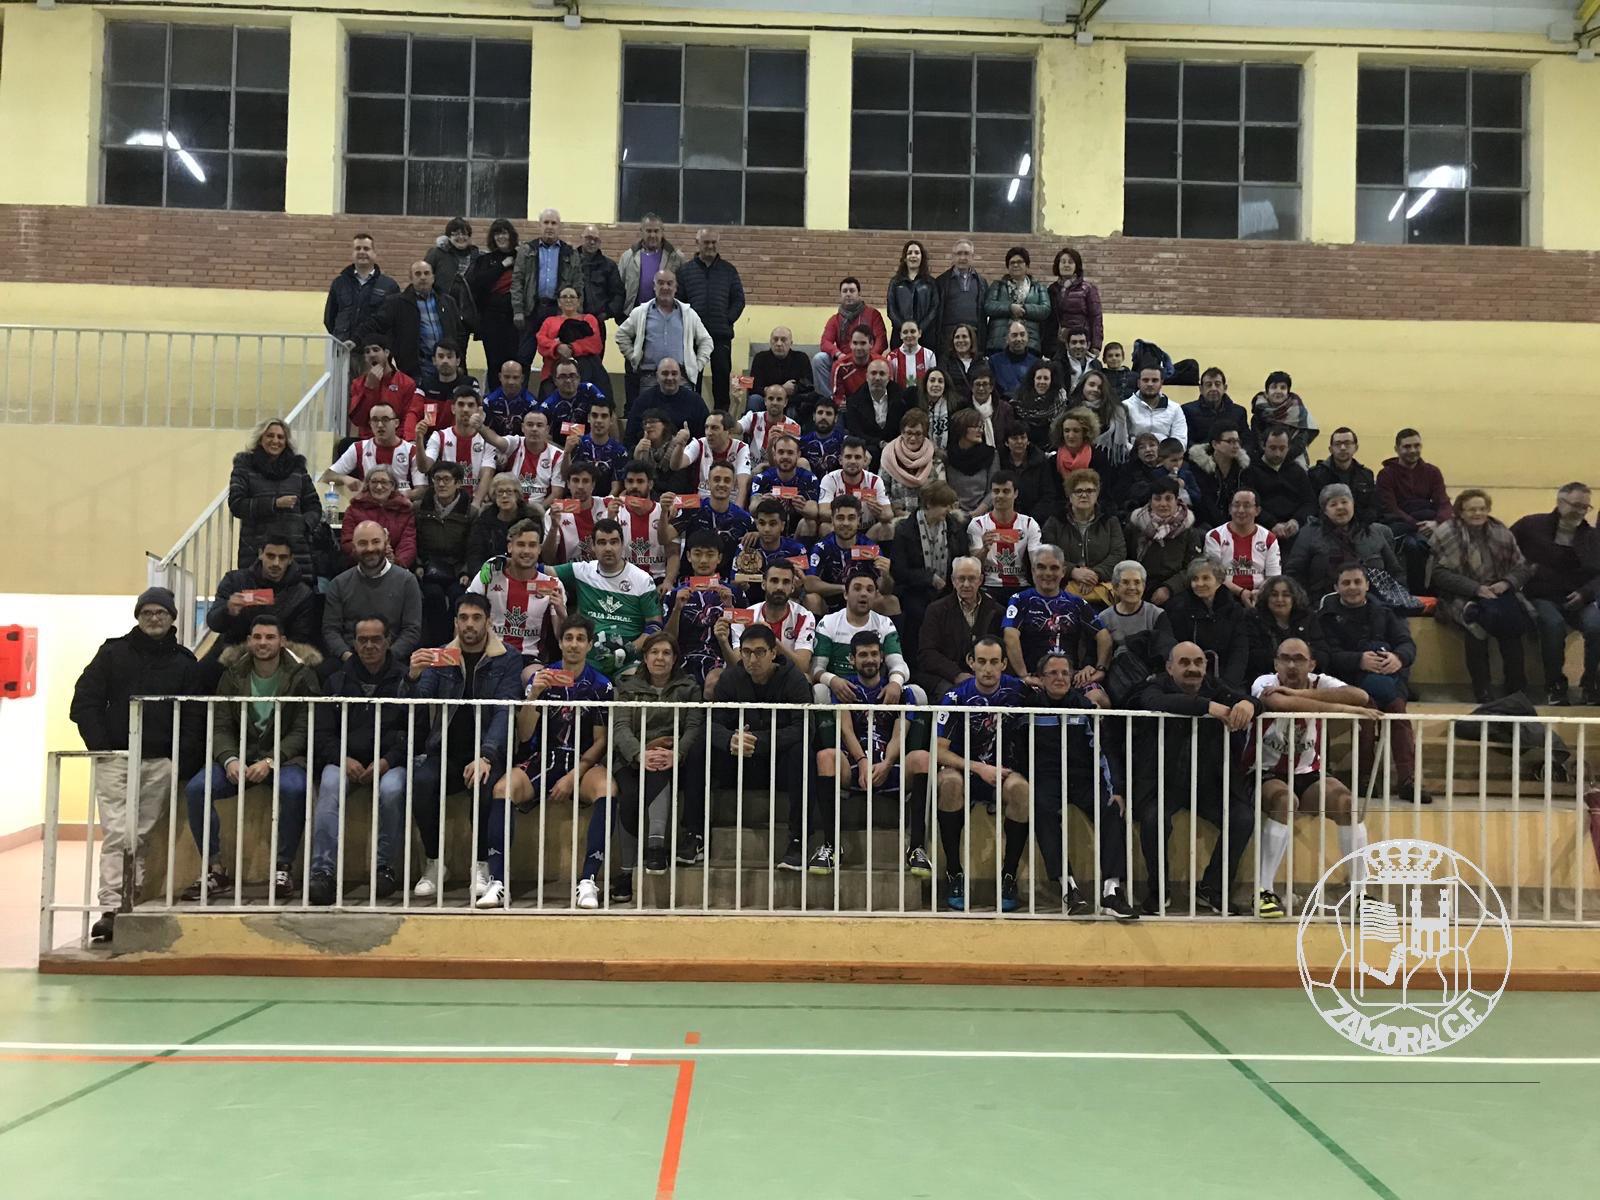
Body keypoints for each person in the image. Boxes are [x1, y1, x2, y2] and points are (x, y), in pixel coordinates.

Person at [70, 587, 200, 941]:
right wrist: (102, 746)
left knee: (141, 833)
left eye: (161, 612)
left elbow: (193, 716)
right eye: (147, 612)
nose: (154, 618)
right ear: (138, 617)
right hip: (116, 758)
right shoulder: (112, 653)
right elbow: (85, 701)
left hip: (160, 761)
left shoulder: (185, 663)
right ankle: (112, 906)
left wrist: (178, 758)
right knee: (118, 833)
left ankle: (131, 898)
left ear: (172, 618)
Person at [181, 614, 320, 902]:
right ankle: (215, 869)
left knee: (295, 789)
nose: (263, 642)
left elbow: (303, 729)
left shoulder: (302, 675)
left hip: (284, 760)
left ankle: (283, 867)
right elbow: (220, 725)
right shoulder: (233, 674)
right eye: (257, 637)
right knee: (197, 789)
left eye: (270, 637)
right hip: (239, 758)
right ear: (248, 641)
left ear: (282, 641)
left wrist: (270, 761)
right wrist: (229, 758)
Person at [405, 593, 523, 903]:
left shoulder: (507, 658)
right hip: (445, 750)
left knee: (484, 786)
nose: (469, 624)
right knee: (422, 782)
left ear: (488, 622)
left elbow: (505, 710)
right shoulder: (442, 656)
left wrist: (486, 755)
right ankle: (434, 863)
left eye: (476, 618)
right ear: (455, 622)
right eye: (463, 618)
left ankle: (482, 865)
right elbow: (420, 703)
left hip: (488, 751)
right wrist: (413, 677)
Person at [1247, 637, 1375, 919]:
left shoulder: (1321, 682)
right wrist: (1345, 710)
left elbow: (1360, 696)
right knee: (1285, 801)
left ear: (1312, 664)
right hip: (1265, 771)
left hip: (1309, 772)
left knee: (1346, 803)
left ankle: (1360, 893)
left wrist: (1306, 695)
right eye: (1285, 658)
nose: (1291, 665)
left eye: (1299, 659)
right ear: (1275, 663)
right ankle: (1263, 891)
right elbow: (1280, 703)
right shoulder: (1264, 682)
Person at [1131, 642, 1257, 915]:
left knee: (1243, 818)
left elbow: (1256, 701)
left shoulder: (1215, 686)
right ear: (1169, 667)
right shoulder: (1155, 685)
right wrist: (1209, 707)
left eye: (1199, 662)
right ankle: (1158, 890)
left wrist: (1248, 703)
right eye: (1185, 662)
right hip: (1163, 784)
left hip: (1209, 785)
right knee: (1153, 820)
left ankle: (1212, 888)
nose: (1193, 669)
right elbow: (1155, 702)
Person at [508, 615, 622, 910]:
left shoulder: (601, 685)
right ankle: (497, 880)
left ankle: (588, 881)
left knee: (607, 788)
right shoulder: (542, 678)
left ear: (590, 645)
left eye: (580, 639)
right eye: (568, 638)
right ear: (559, 643)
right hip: (543, 758)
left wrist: (572, 777)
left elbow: (601, 740)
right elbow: (524, 734)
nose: (574, 644)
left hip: (582, 764)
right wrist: (534, 694)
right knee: (502, 788)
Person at [306, 615, 410, 907]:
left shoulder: (405, 680)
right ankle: (322, 872)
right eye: (362, 640)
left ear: (388, 641)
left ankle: (384, 868)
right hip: (343, 760)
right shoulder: (336, 681)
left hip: (389, 762)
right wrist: (343, 758)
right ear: (353, 643)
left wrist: (387, 761)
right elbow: (322, 733)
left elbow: (414, 731)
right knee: (329, 786)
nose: (369, 646)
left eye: (376, 639)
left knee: (392, 790)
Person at [810, 630, 933, 875]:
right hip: (855, 767)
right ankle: (831, 846)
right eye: (863, 655)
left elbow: (900, 734)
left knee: (922, 758)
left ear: (882, 657)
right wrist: (863, 761)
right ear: (852, 659)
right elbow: (846, 730)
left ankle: (917, 848)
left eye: (874, 654)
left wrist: (886, 763)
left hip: (891, 765)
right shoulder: (845, 688)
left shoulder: (900, 692)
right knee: (825, 756)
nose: (870, 660)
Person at [1027, 651, 1138, 918]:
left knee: (1111, 808)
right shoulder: (1028, 708)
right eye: (1053, 673)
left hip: (1083, 779)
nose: (1060, 678)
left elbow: (1105, 750)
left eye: (1065, 673)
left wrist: (1116, 789)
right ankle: (1069, 888)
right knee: (1040, 808)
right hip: (1046, 779)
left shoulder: (1086, 707)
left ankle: (1111, 891)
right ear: (1041, 679)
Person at [1318, 563, 1430, 803]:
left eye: (1357, 582)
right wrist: (1358, 661)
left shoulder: (1385, 612)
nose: (1352, 587)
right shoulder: (1326, 617)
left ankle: (1408, 780)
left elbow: (1406, 644)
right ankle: (1364, 778)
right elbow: (1326, 655)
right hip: (1348, 682)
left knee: (1398, 711)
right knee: (1366, 713)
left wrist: (1398, 658)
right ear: (1336, 587)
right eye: (1346, 583)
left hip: (1388, 679)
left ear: (1367, 585)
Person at [933, 636, 1031, 912]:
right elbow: (938, 751)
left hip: (1004, 771)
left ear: (1004, 664)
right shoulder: (955, 697)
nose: (988, 669)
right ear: (971, 662)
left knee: (1022, 790)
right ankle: (954, 873)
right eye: (982, 662)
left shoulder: (1019, 692)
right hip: (966, 770)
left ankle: (1008, 876)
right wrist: (978, 768)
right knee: (949, 783)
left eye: (994, 662)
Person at [709, 624, 814, 868]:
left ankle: (798, 840)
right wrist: (730, 739)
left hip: (780, 764)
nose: (752, 659)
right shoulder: (730, 678)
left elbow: (805, 728)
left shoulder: (794, 679)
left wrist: (760, 740)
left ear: (773, 653)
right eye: (746, 652)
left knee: (802, 753)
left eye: (759, 652)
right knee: (700, 747)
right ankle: (695, 835)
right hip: (739, 762)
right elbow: (712, 723)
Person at [607, 632, 707, 872]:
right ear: (645, 657)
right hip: (632, 758)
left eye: (666, 653)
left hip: (671, 757)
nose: (660, 658)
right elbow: (620, 728)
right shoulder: (627, 688)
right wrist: (640, 753)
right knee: (629, 796)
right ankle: (626, 871)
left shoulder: (689, 688)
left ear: (675, 659)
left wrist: (677, 753)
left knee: (658, 768)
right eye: (654, 652)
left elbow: (694, 727)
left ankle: (656, 849)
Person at [1430, 489, 1534, 702]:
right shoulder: (1446, 533)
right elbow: (1439, 574)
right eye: (1472, 510)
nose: (1477, 513)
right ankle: (1482, 689)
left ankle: (1516, 688)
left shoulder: (1502, 532)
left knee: (1512, 626)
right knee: (1475, 627)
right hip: (1460, 594)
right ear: (1461, 512)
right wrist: (1475, 589)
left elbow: (1521, 567)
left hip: (1498, 591)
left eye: (1482, 509)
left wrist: (1506, 583)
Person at [1512, 483, 1600, 705]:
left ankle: (1591, 684)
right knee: (1552, 625)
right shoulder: (1530, 525)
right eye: (1576, 505)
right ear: (1560, 502)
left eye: (1585, 507)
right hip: (1541, 595)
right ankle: (1555, 685)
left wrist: (1585, 593)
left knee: (1596, 626)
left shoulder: (1593, 537)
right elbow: (1504, 546)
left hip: (1580, 597)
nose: (1580, 511)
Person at [550, 519, 664, 677]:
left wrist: (625, 652)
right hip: (586, 659)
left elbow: (655, 628)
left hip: (629, 661)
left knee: (631, 682)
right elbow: (539, 572)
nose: (608, 548)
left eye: (614, 542)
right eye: (602, 543)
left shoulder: (642, 580)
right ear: (593, 546)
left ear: (623, 544)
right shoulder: (581, 571)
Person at [1002, 544, 1112, 685]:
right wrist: (1024, 676)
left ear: (1063, 571)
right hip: (1035, 679)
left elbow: (1104, 636)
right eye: (1041, 567)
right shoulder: (1019, 600)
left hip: (1070, 679)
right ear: (1033, 570)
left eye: (1054, 568)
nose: (1048, 573)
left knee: (1098, 697)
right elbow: (1010, 636)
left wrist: (1100, 669)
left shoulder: (1076, 602)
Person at [229, 418, 321, 579]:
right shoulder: (244, 467)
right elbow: (237, 504)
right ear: (260, 439)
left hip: (297, 551)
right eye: (270, 436)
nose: (275, 441)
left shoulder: (298, 469)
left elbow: (314, 506)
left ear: (286, 441)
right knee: (258, 593)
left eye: (280, 437)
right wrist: (274, 504)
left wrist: (303, 525)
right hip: (255, 550)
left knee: (298, 594)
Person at [810, 569, 918, 704]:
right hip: (841, 693)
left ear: (875, 595)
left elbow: (898, 664)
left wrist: (895, 683)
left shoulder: (885, 624)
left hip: (877, 690)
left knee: (917, 693)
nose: (863, 594)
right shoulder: (828, 623)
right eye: (857, 588)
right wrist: (832, 680)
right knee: (819, 691)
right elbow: (816, 669)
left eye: (869, 590)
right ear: (846, 594)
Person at [324, 519, 424, 664]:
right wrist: (349, 658)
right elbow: (331, 630)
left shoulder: (407, 582)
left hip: (394, 661)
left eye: (376, 542)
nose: (370, 548)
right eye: (363, 543)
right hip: (349, 660)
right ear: (354, 547)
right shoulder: (338, 584)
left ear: (386, 542)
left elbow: (411, 630)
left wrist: (385, 660)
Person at [468, 516, 563, 667]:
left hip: (529, 659)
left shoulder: (553, 585)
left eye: (532, 545)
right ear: (510, 547)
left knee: (536, 677)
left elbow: (561, 636)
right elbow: (464, 615)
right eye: (520, 544)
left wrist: (561, 612)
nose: (526, 551)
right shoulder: (489, 576)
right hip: (489, 654)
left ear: (539, 549)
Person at [205, 537, 318, 660]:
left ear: (290, 559)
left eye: (282, 558)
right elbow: (213, 623)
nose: (276, 563)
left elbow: (300, 637)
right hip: (233, 647)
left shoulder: (302, 593)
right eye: (270, 556)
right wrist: (228, 610)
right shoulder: (234, 580)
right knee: (201, 669)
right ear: (260, 554)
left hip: (281, 652)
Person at [1285, 483, 1404, 599]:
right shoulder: (1309, 534)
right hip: (1324, 602)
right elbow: (1294, 574)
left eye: (1344, 502)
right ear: (1324, 511)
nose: (1340, 507)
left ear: (1353, 504)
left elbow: (1395, 572)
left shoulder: (1373, 532)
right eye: (1333, 504)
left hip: (1376, 602)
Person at [362, 260, 465, 391]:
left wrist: (459, 361)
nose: (423, 277)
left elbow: (460, 334)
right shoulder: (397, 303)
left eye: (426, 273)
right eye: (418, 274)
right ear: (411, 278)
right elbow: (375, 324)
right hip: (417, 371)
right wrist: (354, 340)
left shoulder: (448, 302)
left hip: (447, 368)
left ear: (433, 277)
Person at [674, 228, 746, 411]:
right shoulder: (685, 271)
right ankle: (692, 416)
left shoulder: (729, 271)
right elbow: (678, 302)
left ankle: (721, 418)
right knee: (692, 380)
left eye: (714, 242)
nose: (710, 246)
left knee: (721, 380)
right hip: (693, 336)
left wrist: (727, 319)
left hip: (721, 335)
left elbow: (739, 300)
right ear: (697, 243)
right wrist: (688, 324)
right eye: (706, 242)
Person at [666, 530, 744, 697]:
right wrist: (677, 609)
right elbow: (667, 639)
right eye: (697, 554)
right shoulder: (675, 594)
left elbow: (741, 636)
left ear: (719, 558)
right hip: (682, 660)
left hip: (721, 660)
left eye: (710, 555)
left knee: (714, 683)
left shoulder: (734, 593)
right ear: (688, 556)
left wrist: (729, 607)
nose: (703, 560)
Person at [1376, 428, 1452, 594]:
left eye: (1417, 446)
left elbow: (1444, 502)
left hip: (1430, 522)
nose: (1412, 450)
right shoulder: (1386, 474)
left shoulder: (1433, 472)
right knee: (1414, 546)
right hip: (1401, 525)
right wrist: (1417, 525)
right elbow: (1390, 507)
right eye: (1407, 446)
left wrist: (1437, 522)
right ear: (1397, 449)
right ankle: (1419, 594)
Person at [916, 556, 1003, 700]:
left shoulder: (996, 611)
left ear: (980, 580)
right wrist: (956, 674)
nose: (966, 584)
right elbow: (927, 653)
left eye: (972, 578)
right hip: (946, 677)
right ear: (953, 580)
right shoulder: (936, 610)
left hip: (986, 675)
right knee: (953, 695)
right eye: (961, 579)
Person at [616, 271, 714, 397]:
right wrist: (633, 357)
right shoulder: (641, 313)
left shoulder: (689, 314)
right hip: (650, 378)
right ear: (654, 286)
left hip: (681, 379)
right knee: (650, 410)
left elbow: (706, 341)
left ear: (676, 288)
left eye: (669, 283)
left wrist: (697, 365)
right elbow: (621, 335)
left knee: (683, 410)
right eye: (660, 283)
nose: (665, 287)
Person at [414, 461, 475, 646]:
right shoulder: (419, 508)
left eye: (447, 479)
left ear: (458, 483)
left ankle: (454, 643)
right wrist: (417, 564)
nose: (441, 484)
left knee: (458, 596)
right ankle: (436, 645)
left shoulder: (471, 512)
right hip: (428, 567)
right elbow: (413, 540)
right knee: (433, 596)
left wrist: (466, 571)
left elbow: (473, 547)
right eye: (437, 479)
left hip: (457, 568)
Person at [1163, 558, 1250, 685]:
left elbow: (1239, 650)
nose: (1199, 584)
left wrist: (1228, 684)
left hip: (1225, 677)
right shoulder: (1178, 608)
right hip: (1189, 676)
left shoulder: (1234, 610)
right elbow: (1176, 649)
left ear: (1219, 581)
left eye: (1205, 578)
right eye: (1195, 579)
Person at [1042, 469, 1123, 605]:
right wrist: (1072, 571)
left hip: (1103, 588)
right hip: (1062, 587)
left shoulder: (1110, 521)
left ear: (1097, 494)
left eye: (1090, 491)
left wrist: (1094, 574)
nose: (1084, 495)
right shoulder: (1055, 521)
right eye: (1078, 491)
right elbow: (1047, 553)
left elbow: (1118, 553)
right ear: (1069, 495)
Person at [511, 208, 580, 365]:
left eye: (553, 223)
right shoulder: (527, 250)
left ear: (559, 226)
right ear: (539, 225)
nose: (549, 227)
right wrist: (518, 310)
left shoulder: (570, 253)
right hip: (531, 310)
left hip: (558, 311)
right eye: (546, 222)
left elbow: (577, 284)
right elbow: (517, 281)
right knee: (524, 356)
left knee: (557, 357)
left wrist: (574, 313)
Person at [730, 559, 817, 678]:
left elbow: (802, 666)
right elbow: (738, 663)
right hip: (752, 676)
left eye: (786, 582)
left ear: (792, 587)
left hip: (787, 678)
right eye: (774, 581)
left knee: (805, 678)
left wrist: (771, 638)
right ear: (763, 584)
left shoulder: (804, 617)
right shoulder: (746, 616)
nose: (780, 587)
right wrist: (723, 641)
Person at [669, 461, 754, 583]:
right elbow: (664, 538)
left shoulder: (744, 518)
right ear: (708, 483)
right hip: (689, 582)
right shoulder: (692, 508)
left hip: (727, 584)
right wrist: (664, 512)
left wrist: (757, 534)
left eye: (727, 480)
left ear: (734, 485)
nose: (721, 484)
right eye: (717, 479)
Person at [414, 385, 500, 503]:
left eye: (470, 405)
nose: (465, 409)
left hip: (475, 500)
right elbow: (424, 468)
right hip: (445, 500)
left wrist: (476, 504)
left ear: (478, 410)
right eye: (461, 404)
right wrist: (419, 439)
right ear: (453, 409)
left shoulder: (487, 439)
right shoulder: (439, 436)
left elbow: (487, 473)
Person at [1127, 479, 1204, 606]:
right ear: (1150, 501)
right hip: (1137, 584)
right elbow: (1126, 558)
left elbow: (1193, 567)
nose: (1163, 504)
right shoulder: (1135, 526)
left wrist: (1169, 588)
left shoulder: (1188, 530)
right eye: (1157, 499)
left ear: (1177, 500)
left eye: (1168, 499)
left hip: (1175, 589)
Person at [805, 494, 885, 615]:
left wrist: (886, 575)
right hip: (829, 605)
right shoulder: (821, 547)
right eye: (840, 518)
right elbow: (810, 584)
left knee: (889, 601)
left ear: (859, 520)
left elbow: (883, 587)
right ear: (832, 520)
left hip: (861, 603)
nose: (846, 523)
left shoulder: (870, 547)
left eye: (851, 518)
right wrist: (845, 588)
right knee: (811, 599)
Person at [969, 471, 1043, 601]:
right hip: (988, 587)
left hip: (1021, 587)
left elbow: (1036, 562)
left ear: (1016, 493)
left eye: (1006, 491)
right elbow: (972, 567)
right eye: (996, 491)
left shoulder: (1029, 524)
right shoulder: (978, 524)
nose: (1000, 496)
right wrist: (984, 549)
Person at [325, 233, 400, 358]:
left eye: (366, 248)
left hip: (374, 353)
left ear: (374, 253)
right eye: (357, 248)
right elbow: (329, 318)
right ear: (352, 254)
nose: (361, 252)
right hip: (344, 350)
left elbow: (393, 322)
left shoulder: (389, 286)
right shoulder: (339, 283)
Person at [465, 219, 521, 386]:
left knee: (515, 362)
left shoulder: (522, 258)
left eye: (504, 233)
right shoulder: (485, 260)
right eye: (497, 233)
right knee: (494, 362)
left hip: (515, 320)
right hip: (491, 320)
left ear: (511, 235)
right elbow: (479, 284)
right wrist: (503, 265)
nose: (501, 237)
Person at [812, 277, 888, 395]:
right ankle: (830, 399)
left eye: (852, 291)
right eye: (845, 291)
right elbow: (825, 342)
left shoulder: (873, 314)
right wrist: (838, 354)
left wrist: (869, 356)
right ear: (840, 295)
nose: (848, 294)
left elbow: (881, 340)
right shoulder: (835, 319)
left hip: (867, 358)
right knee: (819, 359)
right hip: (843, 360)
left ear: (859, 294)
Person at [1243, 427, 1315, 550]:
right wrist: (1272, 524)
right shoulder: (1250, 471)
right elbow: (1249, 504)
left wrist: (1296, 521)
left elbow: (1310, 502)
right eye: (1273, 448)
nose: (1277, 453)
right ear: (1263, 445)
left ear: (1288, 447)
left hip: (1295, 532)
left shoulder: (1297, 471)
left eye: (1282, 448)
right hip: (1261, 531)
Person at [324, 403, 420, 495]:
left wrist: (400, 497)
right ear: (370, 424)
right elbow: (327, 476)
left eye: (385, 419)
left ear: (396, 423)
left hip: (400, 503)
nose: (380, 425)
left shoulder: (412, 451)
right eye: (375, 420)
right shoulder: (358, 448)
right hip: (368, 503)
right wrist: (344, 478)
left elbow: (421, 489)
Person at [1247, 575, 1331, 679]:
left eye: (1286, 595)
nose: (1279, 599)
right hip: (1266, 677)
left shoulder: (1308, 617)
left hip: (1307, 678)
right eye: (1274, 595)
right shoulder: (1254, 618)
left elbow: (1323, 655)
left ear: (1294, 598)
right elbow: (1253, 657)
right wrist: (1297, 658)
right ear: (1267, 597)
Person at [339, 466, 416, 569]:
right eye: (374, 482)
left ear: (393, 486)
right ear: (368, 484)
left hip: (395, 567)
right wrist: (369, 555)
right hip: (361, 565)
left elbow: (408, 543)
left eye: (384, 482)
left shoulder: (404, 510)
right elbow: (347, 542)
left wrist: (396, 561)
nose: (379, 487)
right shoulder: (354, 509)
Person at [533, 285, 604, 396]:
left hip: (585, 372)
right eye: (564, 297)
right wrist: (557, 347)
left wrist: (572, 348)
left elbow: (595, 344)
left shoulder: (589, 319)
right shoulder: (549, 321)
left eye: (572, 297)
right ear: (559, 302)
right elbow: (541, 342)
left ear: (578, 301)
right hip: (552, 373)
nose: (568, 299)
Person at [465, 473, 540, 577]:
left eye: (509, 492)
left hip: (524, 572)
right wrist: (481, 575)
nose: (504, 496)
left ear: (517, 494)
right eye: (500, 492)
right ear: (494, 496)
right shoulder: (484, 519)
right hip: (489, 573)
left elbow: (537, 551)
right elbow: (475, 553)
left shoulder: (532, 517)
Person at [615, 461, 678, 585]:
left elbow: (673, 553)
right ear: (625, 484)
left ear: (650, 484)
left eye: (640, 481)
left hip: (657, 580)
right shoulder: (615, 511)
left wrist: (668, 581)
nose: (634, 486)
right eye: (630, 481)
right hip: (624, 580)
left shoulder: (665, 511)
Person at [624, 358, 712, 446]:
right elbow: (630, 437)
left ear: (680, 376)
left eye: (674, 373)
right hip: (650, 452)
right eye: (665, 373)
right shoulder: (643, 401)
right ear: (657, 376)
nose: (670, 378)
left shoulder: (695, 401)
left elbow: (705, 437)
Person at [748, 432, 821, 537]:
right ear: (774, 455)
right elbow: (752, 507)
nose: (785, 457)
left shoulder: (809, 478)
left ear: (798, 455)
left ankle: (801, 548)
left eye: (790, 453)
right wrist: (762, 503)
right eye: (781, 452)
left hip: (796, 532)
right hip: (770, 529)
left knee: (810, 522)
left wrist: (803, 507)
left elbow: (814, 510)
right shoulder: (762, 478)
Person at [819, 437, 895, 539]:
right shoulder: (830, 479)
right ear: (840, 460)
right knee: (825, 527)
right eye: (848, 457)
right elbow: (823, 512)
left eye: (857, 457)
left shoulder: (874, 480)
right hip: (842, 529)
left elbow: (888, 514)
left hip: (868, 533)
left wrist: (879, 512)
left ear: (865, 460)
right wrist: (849, 517)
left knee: (887, 528)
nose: (853, 461)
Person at [673, 410, 752, 505]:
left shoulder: (741, 448)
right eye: (706, 427)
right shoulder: (699, 443)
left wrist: (736, 511)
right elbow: (675, 465)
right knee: (673, 502)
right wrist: (680, 445)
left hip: (730, 503)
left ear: (729, 432)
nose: (709, 433)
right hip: (699, 501)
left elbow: (743, 487)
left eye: (714, 428)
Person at [879, 409, 943, 522]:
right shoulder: (889, 457)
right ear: (902, 433)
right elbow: (881, 492)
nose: (913, 438)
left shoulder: (935, 459)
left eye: (918, 434)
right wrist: (895, 509)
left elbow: (940, 495)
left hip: (926, 520)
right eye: (909, 433)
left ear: (925, 435)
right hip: (896, 520)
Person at [347, 336, 419, 439]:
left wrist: (394, 441)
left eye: (376, 350)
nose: (371, 355)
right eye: (367, 352)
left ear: (386, 353)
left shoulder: (406, 383)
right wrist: (369, 389)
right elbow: (358, 420)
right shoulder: (358, 383)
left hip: (397, 440)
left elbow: (407, 419)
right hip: (368, 440)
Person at [1308, 427, 1380, 529]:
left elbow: (1372, 508)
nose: (1342, 448)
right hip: (1325, 529)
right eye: (1337, 444)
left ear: (1356, 447)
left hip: (1360, 528)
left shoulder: (1366, 475)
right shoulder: (1316, 474)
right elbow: (1312, 507)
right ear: (1330, 449)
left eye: (1347, 443)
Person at [844, 355, 912, 461]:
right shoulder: (854, 401)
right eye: (873, 373)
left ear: (889, 378)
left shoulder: (901, 399)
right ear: (867, 377)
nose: (877, 378)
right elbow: (856, 433)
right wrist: (880, 443)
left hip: (897, 447)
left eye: (882, 374)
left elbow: (904, 427)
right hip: (869, 450)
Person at [983, 248, 1049, 353]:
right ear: (1008, 267)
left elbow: (1045, 309)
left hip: (1030, 343)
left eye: (1020, 262)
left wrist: (1024, 309)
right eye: (1012, 263)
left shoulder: (1038, 287)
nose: (1015, 265)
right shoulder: (997, 286)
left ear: (1027, 266)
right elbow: (989, 306)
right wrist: (1010, 308)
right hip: (999, 342)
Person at [563, 393, 631, 496]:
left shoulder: (620, 451)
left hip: (606, 502)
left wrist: (604, 504)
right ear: (588, 418)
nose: (599, 420)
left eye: (604, 416)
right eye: (594, 415)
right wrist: (566, 453)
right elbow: (565, 478)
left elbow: (616, 488)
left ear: (611, 420)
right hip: (577, 500)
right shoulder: (576, 444)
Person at [424, 217, 480, 337]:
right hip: (440, 313)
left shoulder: (477, 256)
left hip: (467, 315)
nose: (461, 237)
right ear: (448, 236)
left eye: (464, 234)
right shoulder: (437, 253)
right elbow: (425, 278)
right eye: (456, 234)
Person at [1249, 369, 1319, 465]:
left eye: (1283, 388)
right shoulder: (1259, 414)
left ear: (1288, 392)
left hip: (1294, 461)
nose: (1278, 391)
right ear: (1267, 392)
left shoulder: (1300, 413)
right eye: (1274, 387)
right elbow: (1258, 442)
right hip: (1265, 461)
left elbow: (1300, 444)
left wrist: (1282, 459)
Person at [1187, 426, 1250, 530]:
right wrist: (1225, 528)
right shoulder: (1199, 468)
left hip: (1237, 522)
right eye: (1230, 441)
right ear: (1215, 444)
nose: (1236, 446)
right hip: (1206, 524)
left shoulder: (1242, 468)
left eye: (1237, 441)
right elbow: (1204, 503)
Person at [500, 408, 566, 505]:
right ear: (523, 427)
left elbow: (557, 493)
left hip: (539, 508)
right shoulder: (514, 443)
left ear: (547, 430)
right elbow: (495, 441)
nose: (534, 429)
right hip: (510, 506)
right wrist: (481, 427)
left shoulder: (558, 455)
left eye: (539, 425)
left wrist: (538, 512)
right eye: (530, 425)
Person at [1048, 246, 1103, 357]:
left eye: (1070, 262)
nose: (1066, 265)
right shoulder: (1052, 289)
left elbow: (1096, 318)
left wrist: (1096, 345)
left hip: (1081, 342)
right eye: (1063, 262)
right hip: (1059, 345)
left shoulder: (1088, 289)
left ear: (1076, 266)